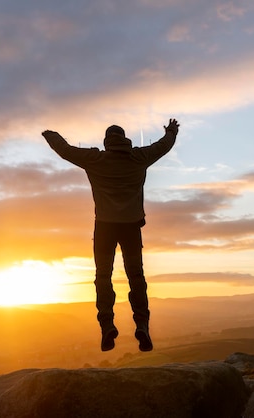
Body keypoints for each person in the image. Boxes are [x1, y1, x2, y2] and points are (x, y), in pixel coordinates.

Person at [42, 118, 179, 352]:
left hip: (105, 227)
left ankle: (107, 327)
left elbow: (65, 151)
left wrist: (50, 134)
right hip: (131, 227)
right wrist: (171, 131)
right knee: (136, 276)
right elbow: (163, 146)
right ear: (125, 139)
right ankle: (142, 326)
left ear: (107, 142)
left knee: (103, 276)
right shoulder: (139, 158)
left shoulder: (96, 160)